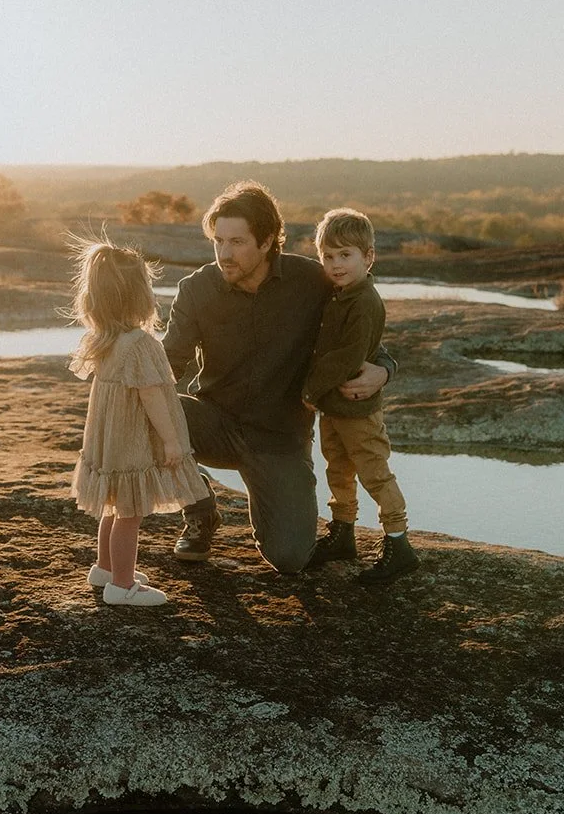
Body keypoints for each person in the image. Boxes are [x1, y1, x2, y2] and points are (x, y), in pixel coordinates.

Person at [161, 181, 393, 574]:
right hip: (214, 423)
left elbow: (359, 331)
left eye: (236, 242)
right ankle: (199, 509)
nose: (224, 254)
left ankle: (270, 496)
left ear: (267, 241)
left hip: (280, 439)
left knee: (290, 557)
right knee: (141, 412)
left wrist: (385, 370)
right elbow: (168, 364)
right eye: (218, 241)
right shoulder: (197, 289)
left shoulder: (311, 282)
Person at [69, 238, 209, 607]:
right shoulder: (141, 343)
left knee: (114, 505)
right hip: (130, 440)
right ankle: (122, 584)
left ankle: (104, 568)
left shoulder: (104, 339)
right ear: (139, 296)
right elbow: (151, 396)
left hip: (108, 439)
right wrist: (172, 441)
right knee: (129, 512)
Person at [302, 208, 420, 583]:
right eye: (328, 256)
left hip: (357, 408)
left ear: (369, 257)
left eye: (346, 255)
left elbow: (347, 357)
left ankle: (399, 542)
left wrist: (309, 389)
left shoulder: (365, 301)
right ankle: (342, 532)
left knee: (375, 474)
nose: (335, 265)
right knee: (337, 468)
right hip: (334, 409)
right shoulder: (338, 294)